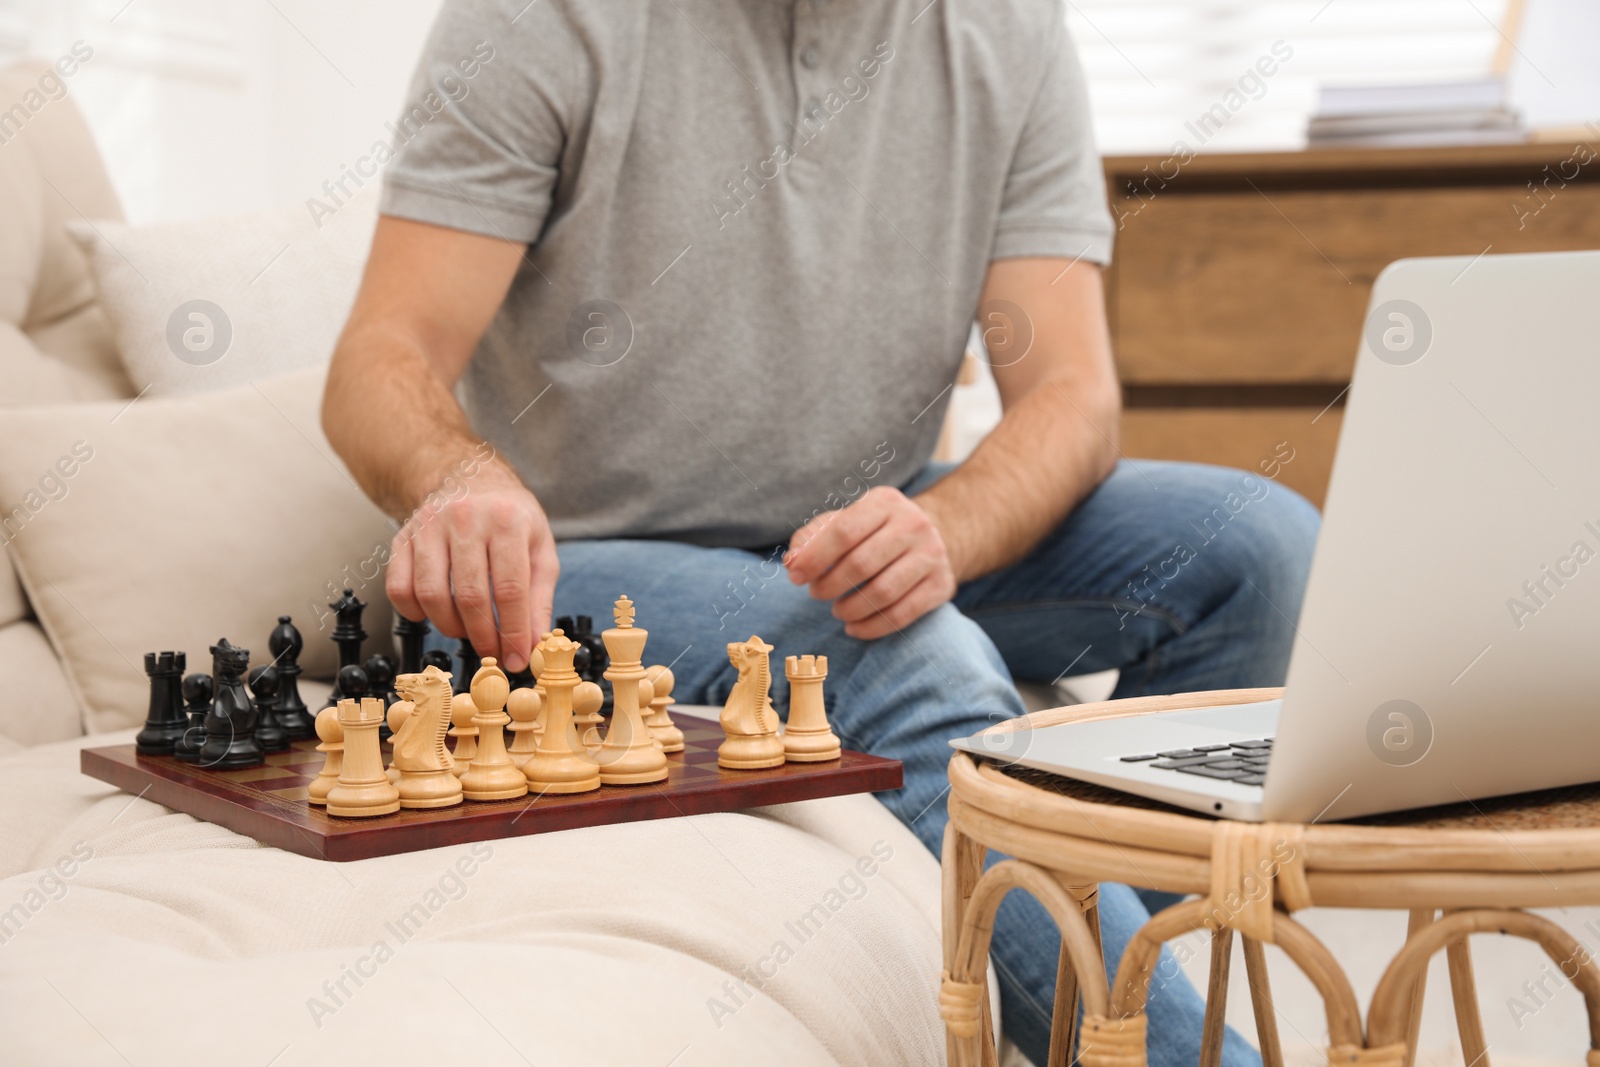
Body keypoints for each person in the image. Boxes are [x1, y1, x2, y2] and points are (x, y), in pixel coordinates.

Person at [322, 1, 1319, 1062]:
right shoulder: (543, 19)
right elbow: (384, 356)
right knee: (903, 649)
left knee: (1259, 548)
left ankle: (1111, 994)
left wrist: (941, 528)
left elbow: (1071, 394)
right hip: (589, 570)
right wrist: (461, 475)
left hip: (860, 519)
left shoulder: (1006, 29)